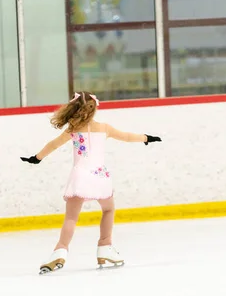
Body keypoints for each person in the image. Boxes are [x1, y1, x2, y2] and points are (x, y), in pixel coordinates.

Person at [21, 91, 162, 274]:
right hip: (100, 177)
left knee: (71, 218)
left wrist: (37, 158)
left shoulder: (72, 129)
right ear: (94, 109)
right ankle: (105, 246)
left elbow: (53, 144)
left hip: (80, 177)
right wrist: (146, 138)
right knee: (108, 209)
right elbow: (127, 136)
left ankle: (60, 251)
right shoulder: (104, 128)